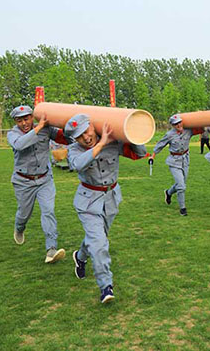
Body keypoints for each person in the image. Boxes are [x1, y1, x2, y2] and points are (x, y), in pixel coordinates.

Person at [65, 114, 148, 304]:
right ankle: (106, 286)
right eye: (79, 136)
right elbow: (77, 165)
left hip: (110, 198)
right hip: (88, 202)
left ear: (93, 127)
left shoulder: (113, 142)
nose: (86, 137)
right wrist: (100, 144)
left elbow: (140, 153)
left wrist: (131, 135)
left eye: (87, 131)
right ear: (74, 139)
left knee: (97, 239)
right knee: (100, 243)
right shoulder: (74, 150)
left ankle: (79, 257)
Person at [7, 105, 67, 263]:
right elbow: (19, 145)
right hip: (23, 182)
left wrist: (66, 123)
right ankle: (19, 228)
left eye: (26, 119)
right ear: (15, 121)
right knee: (24, 214)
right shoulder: (13, 134)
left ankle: (51, 249)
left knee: (48, 211)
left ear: (32, 117)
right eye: (19, 120)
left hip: (44, 180)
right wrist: (39, 126)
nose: (24, 123)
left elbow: (65, 138)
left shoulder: (47, 129)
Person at [150, 114, 202, 216]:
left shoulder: (188, 131)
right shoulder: (169, 134)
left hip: (185, 160)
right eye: (176, 124)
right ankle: (183, 208)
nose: (178, 125)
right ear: (173, 125)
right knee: (181, 186)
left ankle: (168, 193)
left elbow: (201, 129)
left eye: (179, 122)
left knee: (181, 184)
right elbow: (160, 145)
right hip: (174, 161)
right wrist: (152, 156)